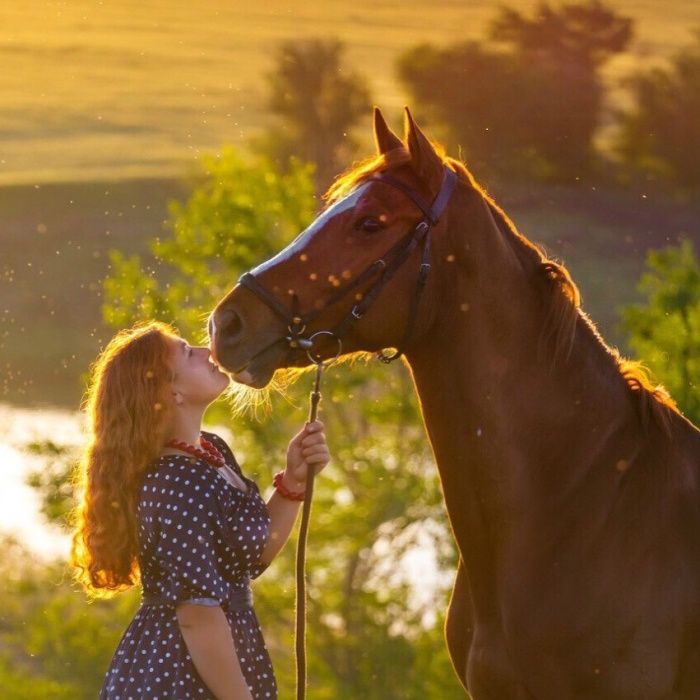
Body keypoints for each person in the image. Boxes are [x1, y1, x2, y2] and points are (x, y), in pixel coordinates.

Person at [71, 320, 330, 700]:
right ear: (169, 390)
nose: (208, 351)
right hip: (181, 674)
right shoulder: (177, 483)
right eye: (188, 353)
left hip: (222, 662)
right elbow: (197, 616)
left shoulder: (212, 452)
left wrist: (293, 481)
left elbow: (252, 557)